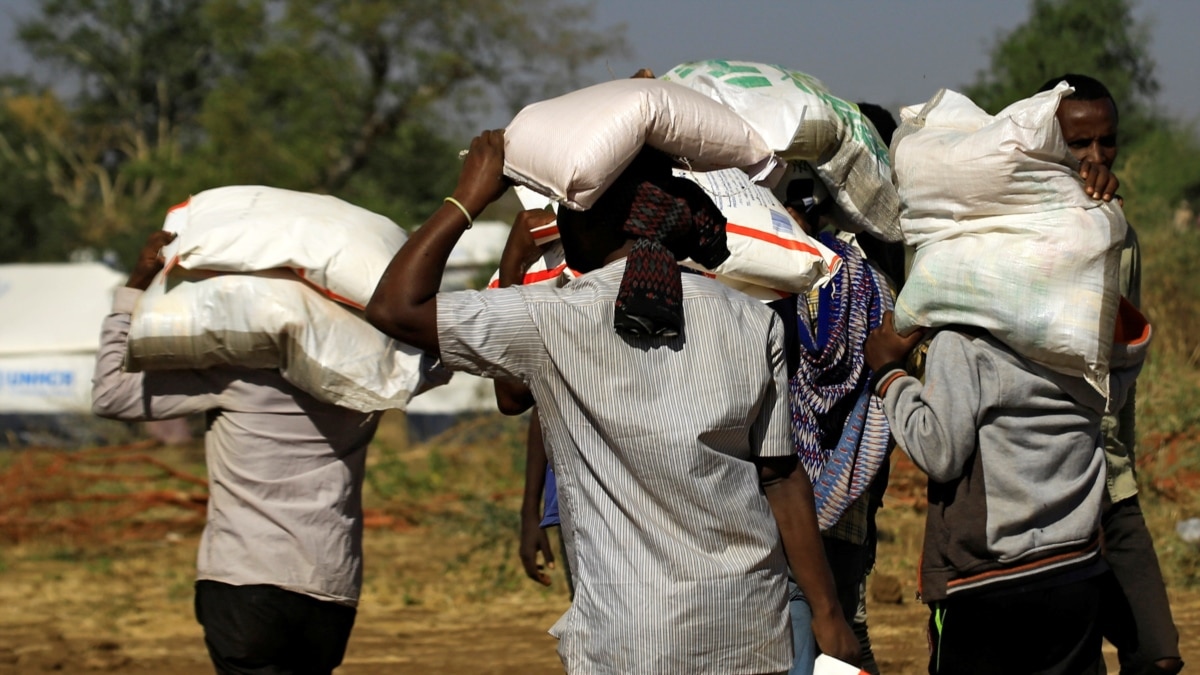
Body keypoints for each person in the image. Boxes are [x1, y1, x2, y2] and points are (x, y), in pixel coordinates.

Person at [366, 131, 859, 673]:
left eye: (570, 212)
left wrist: (468, 197)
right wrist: (828, 613)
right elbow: (781, 477)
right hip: (748, 628)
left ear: (603, 223)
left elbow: (395, 307)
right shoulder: (750, 318)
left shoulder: (551, 317)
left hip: (629, 636)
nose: (562, 223)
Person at [863, 140, 1147, 673]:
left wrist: (890, 376)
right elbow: (1128, 355)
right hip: (1077, 571)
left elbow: (939, 450)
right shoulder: (1083, 341)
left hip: (991, 584)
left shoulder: (964, 344)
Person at [92, 230, 379, 675]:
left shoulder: (236, 378)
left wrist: (136, 283)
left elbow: (111, 395)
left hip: (243, 583)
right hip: (331, 588)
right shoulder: (370, 383)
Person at [1037, 72, 1183, 675]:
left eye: (1107, 141)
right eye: (1078, 144)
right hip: (1043, 484)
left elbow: (1126, 356)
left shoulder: (1122, 236)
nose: (1095, 157)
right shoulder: (1013, 229)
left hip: (1111, 478)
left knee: (1157, 653)